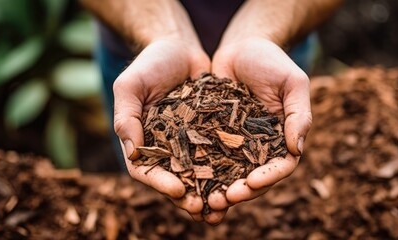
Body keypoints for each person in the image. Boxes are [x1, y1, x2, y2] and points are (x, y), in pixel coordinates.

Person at [80, 0, 342, 225]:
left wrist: (261, 31)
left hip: (274, 50)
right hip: (141, 58)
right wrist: (165, 32)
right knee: (145, 176)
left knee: (264, 206)